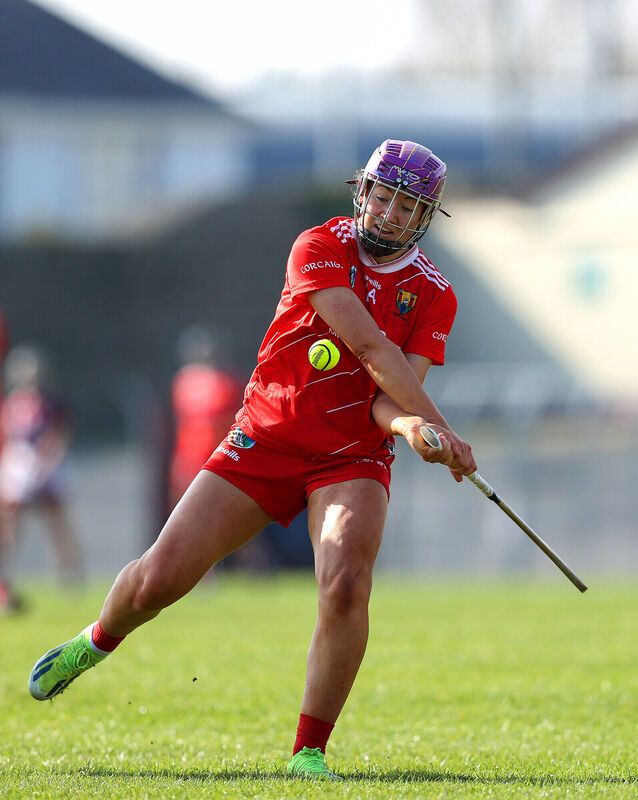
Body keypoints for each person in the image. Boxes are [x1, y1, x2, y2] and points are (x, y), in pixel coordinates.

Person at [27, 139, 477, 778]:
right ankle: (94, 641)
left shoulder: (434, 295)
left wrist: (411, 425)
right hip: (266, 439)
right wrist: (446, 430)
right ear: (362, 192)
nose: (391, 214)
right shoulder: (318, 246)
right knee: (159, 580)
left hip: (351, 456)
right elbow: (371, 350)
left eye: (408, 207)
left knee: (347, 584)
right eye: (383, 197)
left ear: (426, 217)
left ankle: (309, 753)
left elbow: (387, 397)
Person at [0, 345, 82, 610]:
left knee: (57, 521)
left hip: (47, 465)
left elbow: (59, 433)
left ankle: (69, 573)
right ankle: (5, 573)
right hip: (20, 467)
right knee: (10, 522)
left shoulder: (51, 403)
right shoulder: (12, 403)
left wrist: (46, 460)